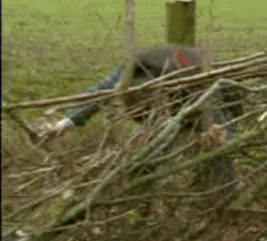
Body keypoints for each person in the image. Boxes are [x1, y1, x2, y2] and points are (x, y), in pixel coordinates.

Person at [38, 44, 238, 191]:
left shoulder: (197, 85)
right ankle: (138, 191)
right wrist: (67, 123)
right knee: (143, 147)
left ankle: (224, 197)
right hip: (170, 102)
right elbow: (98, 96)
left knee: (218, 149)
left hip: (205, 100)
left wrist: (215, 134)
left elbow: (222, 117)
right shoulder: (127, 74)